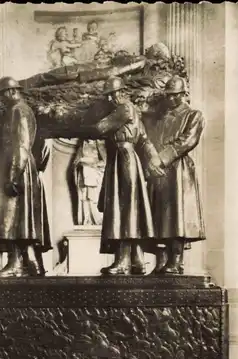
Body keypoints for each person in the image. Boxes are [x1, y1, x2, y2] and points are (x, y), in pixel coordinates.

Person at [85, 77, 155, 275]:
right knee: (129, 206)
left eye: (113, 93)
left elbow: (100, 128)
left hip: (123, 157)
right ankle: (138, 260)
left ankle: (123, 261)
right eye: (108, 95)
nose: (110, 98)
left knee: (123, 207)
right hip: (124, 157)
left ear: (122, 92)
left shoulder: (124, 108)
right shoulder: (132, 109)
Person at [140, 76, 206, 274]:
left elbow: (188, 141)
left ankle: (175, 261)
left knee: (176, 216)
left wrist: (161, 158)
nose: (170, 100)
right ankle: (161, 260)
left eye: (175, 96)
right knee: (158, 215)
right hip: (157, 171)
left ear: (183, 94)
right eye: (168, 96)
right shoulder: (159, 117)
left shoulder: (194, 115)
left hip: (177, 170)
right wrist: (150, 162)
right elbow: (148, 141)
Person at [0, 77, 51, 277]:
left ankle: (15, 264)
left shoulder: (18, 111)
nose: (0, 100)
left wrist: (13, 176)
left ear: (11, 92)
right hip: (21, 164)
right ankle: (31, 264)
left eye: (2, 95)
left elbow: (21, 145)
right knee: (21, 218)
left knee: (12, 216)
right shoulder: (19, 110)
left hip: (18, 165)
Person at [73, 139, 106, 225]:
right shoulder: (82, 145)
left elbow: (105, 162)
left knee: (93, 198)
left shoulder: (99, 143)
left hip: (94, 176)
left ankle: (97, 220)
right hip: (83, 176)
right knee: (84, 198)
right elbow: (75, 163)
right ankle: (86, 220)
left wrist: (93, 164)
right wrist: (80, 163)